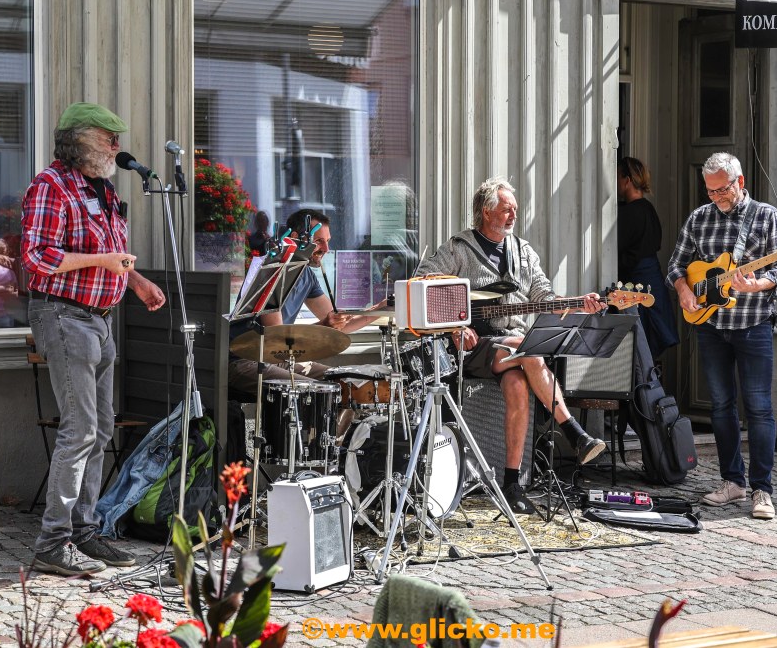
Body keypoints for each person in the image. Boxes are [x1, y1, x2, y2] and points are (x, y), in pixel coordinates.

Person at [21, 101, 167, 575]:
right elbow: (37, 257)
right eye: (109, 137)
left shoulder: (102, 189)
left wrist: (136, 281)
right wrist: (102, 262)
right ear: (80, 140)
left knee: (101, 429)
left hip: (100, 320)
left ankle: (84, 532)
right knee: (80, 429)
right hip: (64, 316)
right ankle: (52, 543)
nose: (117, 146)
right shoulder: (51, 185)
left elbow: (110, 255)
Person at [416, 176, 608, 515]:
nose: (513, 215)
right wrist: (455, 326)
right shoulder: (459, 248)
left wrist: (580, 304)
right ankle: (573, 432)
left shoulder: (524, 252)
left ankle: (511, 484)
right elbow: (423, 284)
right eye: (507, 209)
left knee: (519, 384)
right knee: (528, 347)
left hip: (512, 351)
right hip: (472, 348)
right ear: (486, 212)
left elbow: (544, 297)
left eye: (515, 210)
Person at [666, 152, 777, 520]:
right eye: (710, 191)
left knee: (759, 407)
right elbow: (676, 264)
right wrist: (683, 290)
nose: (716, 197)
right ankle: (733, 482)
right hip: (710, 326)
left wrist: (758, 284)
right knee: (721, 406)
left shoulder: (766, 216)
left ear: (740, 182)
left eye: (722, 190)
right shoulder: (699, 218)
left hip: (753, 324)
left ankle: (762, 490)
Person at [229, 208, 378, 394]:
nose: (326, 249)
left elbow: (340, 325)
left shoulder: (306, 274)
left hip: (278, 360)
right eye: (319, 241)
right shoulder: (273, 271)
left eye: (328, 241)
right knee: (322, 392)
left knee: (346, 383)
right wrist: (325, 325)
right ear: (295, 237)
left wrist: (380, 308)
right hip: (244, 361)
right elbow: (277, 337)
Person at [617, 156, 679, 360]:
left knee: (639, 347)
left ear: (627, 180)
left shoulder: (630, 213)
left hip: (638, 284)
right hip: (652, 280)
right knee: (646, 348)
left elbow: (621, 249)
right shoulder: (648, 209)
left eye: (618, 177)